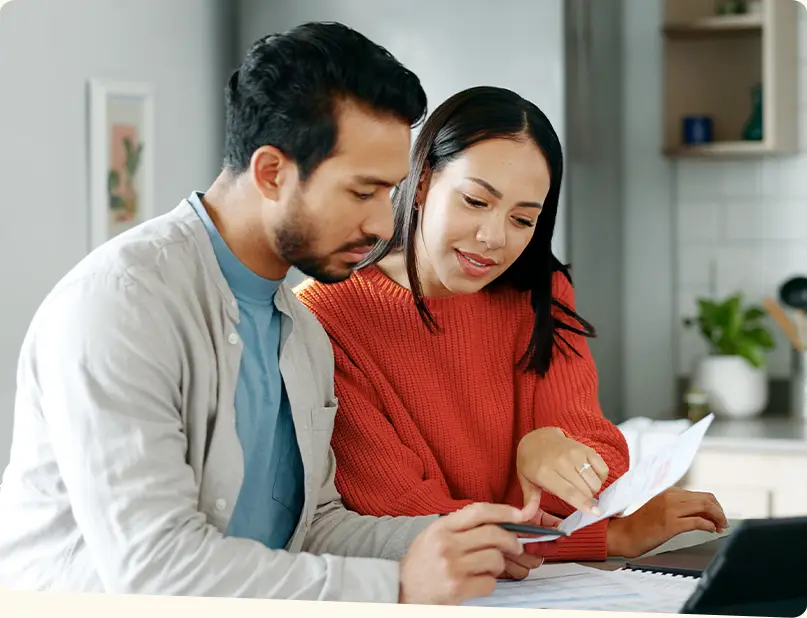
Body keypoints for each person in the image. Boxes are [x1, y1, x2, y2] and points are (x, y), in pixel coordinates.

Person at [0, 25, 538, 604]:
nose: (385, 225)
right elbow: (156, 570)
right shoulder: (120, 305)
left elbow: (313, 529)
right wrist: (399, 584)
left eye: (391, 193)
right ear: (272, 172)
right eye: (362, 193)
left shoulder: (302, 328)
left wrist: (454, 540)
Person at [295, 86, 729, 579]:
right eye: (476, 201)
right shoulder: (326, 315)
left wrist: (549, 445)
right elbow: (400, 509)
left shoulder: (539, 291)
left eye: (524, 219)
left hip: (542, 585)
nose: (495, 238)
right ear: (419, 185)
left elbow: (603, 453)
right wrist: (605, 538)